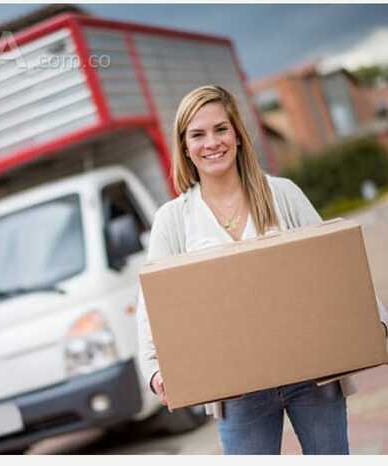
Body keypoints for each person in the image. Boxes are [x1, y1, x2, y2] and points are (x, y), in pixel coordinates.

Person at [136, 85, 388, 455]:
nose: (212, 143)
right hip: (235, 391)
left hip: (312, 372)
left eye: (221, 129)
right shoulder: (173, 221)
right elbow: (151, 306)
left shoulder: (282, 194)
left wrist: (374, 321)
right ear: (185, 146)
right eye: (198, 134)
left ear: (237, 133)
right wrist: (155, 369)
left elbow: (335, 268)